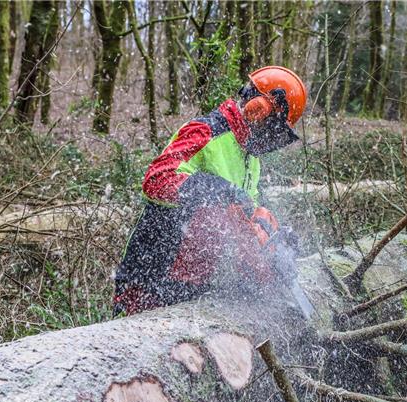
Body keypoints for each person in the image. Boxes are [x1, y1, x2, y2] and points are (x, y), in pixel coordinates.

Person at [112, 66, 308, 316]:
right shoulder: (206, 131)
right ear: (258, 109)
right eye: (274, 129)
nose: (273, 140)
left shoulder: (251, 160)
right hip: (151, 276)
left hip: (191, 284)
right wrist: (215, 188)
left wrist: (272, 249)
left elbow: (245, 221)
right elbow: (156, 180)